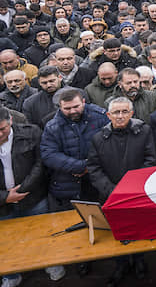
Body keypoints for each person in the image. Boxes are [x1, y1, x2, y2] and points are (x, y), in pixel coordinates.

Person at [87, 96, 156, 286]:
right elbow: (94, 168)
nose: (120, 116)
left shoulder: (144, 131)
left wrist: (133, 187)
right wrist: (112, 191)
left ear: (132, 113)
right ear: (108, 115)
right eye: (116, 112)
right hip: (111, 196)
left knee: (139, 229)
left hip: (137, 193)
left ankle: (140, 261)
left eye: (124, 111)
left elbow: (150, 160)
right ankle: (121, 265)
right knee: (118, 232)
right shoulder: (98, 138)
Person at [40, 88, 108, 278]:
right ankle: (82, 260)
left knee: (102, 221)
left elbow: (110, 143)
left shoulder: (100, 117)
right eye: (67, 108)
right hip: (68, 184)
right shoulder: (52, 126)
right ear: (60, 107)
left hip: (96, 182)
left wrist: (91, 166)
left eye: (76, 106)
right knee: (76, 225)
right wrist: (78, 166)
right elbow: (48, 154)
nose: (72, 111)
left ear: (84, 102)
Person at [0, 106, 63, 286]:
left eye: (2, 129)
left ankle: (50, 263)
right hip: (3, 204)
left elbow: (40, 163)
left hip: (33, 196)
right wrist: (5, 197)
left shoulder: (32, 132)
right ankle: (11, 275)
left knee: (44, 232)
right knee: (7, 241)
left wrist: (23, 189)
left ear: (10, 121)